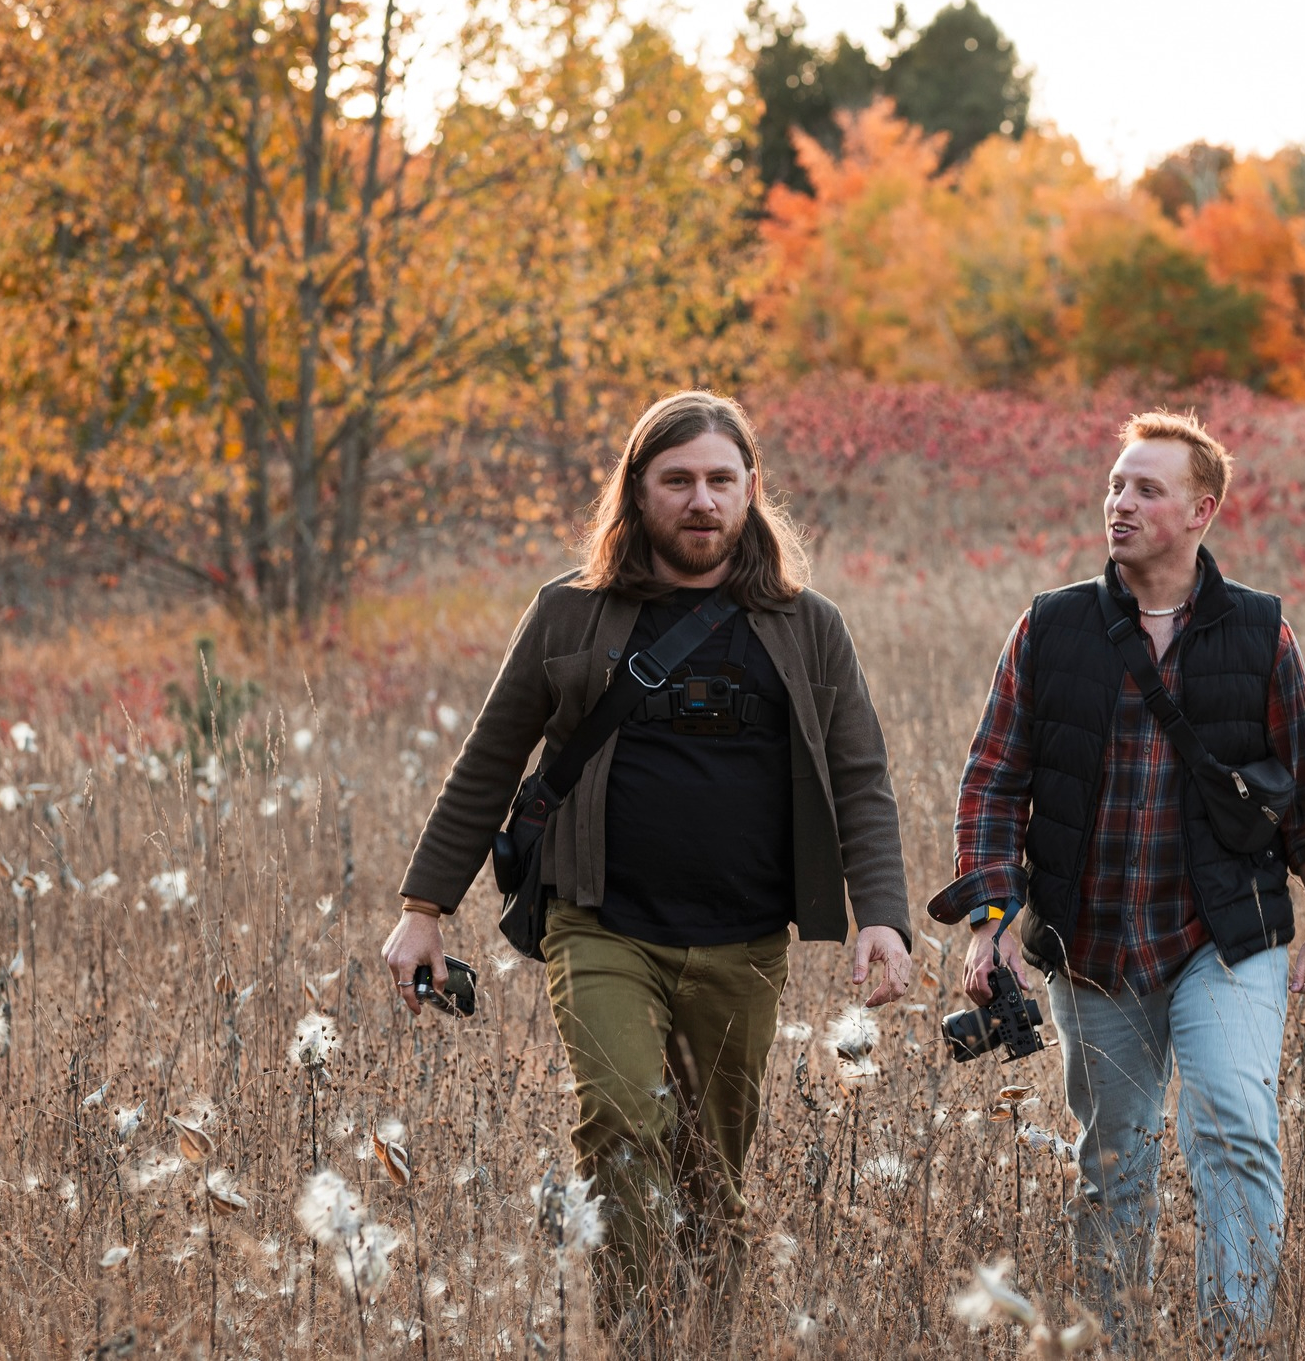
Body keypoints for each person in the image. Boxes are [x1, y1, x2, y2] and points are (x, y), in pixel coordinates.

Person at [384, 390, 913, 1346]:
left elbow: (860, 771)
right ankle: (638, 1333)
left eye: (721, 479)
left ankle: (711, 1329)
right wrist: (424, 906)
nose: (701, 500)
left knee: (713, 1171)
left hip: (744, 942)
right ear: (639, 492)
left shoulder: (805, 624)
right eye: (678, 480)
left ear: (752, 491)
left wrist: (882, 911)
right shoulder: (569, 614)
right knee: (622, 1120)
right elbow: (488, 761)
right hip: (600, 922)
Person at [929, 409, 1305, 1349]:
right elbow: (994, 780)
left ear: (1201, 510)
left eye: (1145, 488)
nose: (1120, 502)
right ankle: (1112, 1339)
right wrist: (990, 923)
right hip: (1091, 944)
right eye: (1116, 484)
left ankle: (1232, 1341)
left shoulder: (1262, 634)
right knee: (1115, 1160)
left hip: (1228, 936)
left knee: (1235, 1127)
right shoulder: (1051, 628)